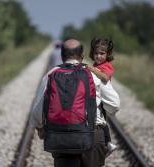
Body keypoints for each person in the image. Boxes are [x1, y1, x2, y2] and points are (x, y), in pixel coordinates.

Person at [29, 38, 120, 167]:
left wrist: (40, 128)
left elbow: (36, 114)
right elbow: (114, 105)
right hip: (92, 136)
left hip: (61, 138)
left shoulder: (51, 74)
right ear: (82, 55)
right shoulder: (93, 74)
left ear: (62, 56)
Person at [87, 37, 119, 158]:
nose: (98, 56)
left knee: (102, 121)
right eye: (96, 53)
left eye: (102, 53)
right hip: (97, 95)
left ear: (108, 54)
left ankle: (108, 143)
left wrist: (92, 69)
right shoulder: (97, 65)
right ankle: (106, 143)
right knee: (101, 120)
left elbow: (105, 77)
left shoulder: (107, 66)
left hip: (103, 98)